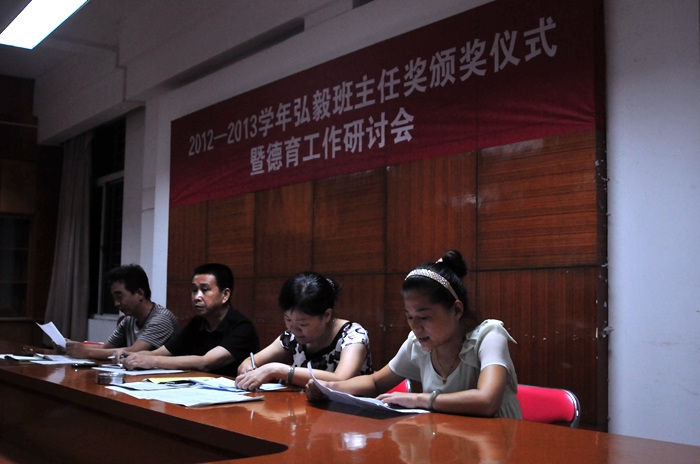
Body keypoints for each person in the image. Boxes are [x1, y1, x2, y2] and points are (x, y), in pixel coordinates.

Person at [306, 250, 522, 419]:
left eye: (424, 317)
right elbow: (375, 383)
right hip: (453, 442)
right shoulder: (417, 344)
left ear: (456, 310)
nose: (415, 327)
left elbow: (487, 401)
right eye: (409, 316)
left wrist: (419, 399)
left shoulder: (489, 336)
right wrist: (330, 388)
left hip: (497, 445)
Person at [235, 271, 372, 390]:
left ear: (327, 315)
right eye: (288, 319)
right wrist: (248, 369)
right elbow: (249, 362)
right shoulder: (291, 336)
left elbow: (341, 380)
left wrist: (277, 370)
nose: (293, 329)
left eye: (303, 324)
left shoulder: (353, 336)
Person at [117, 263, 259, 376]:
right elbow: (158, 353)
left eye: (205, 290)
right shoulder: (197, 323)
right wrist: (132, 355)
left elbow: (206, 362)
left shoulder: (242, 327)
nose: (197, 297)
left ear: (225, 295)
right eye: (194, 290)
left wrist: (152, 361)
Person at [63, 264, 179, 360]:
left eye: (119, 296)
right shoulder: (129, 319)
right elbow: (105, 348)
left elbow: (133, 351)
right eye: (114, 298)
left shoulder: (161, 318)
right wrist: (71, 347)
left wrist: (86, 352)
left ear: (139, 294)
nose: (116, 303)